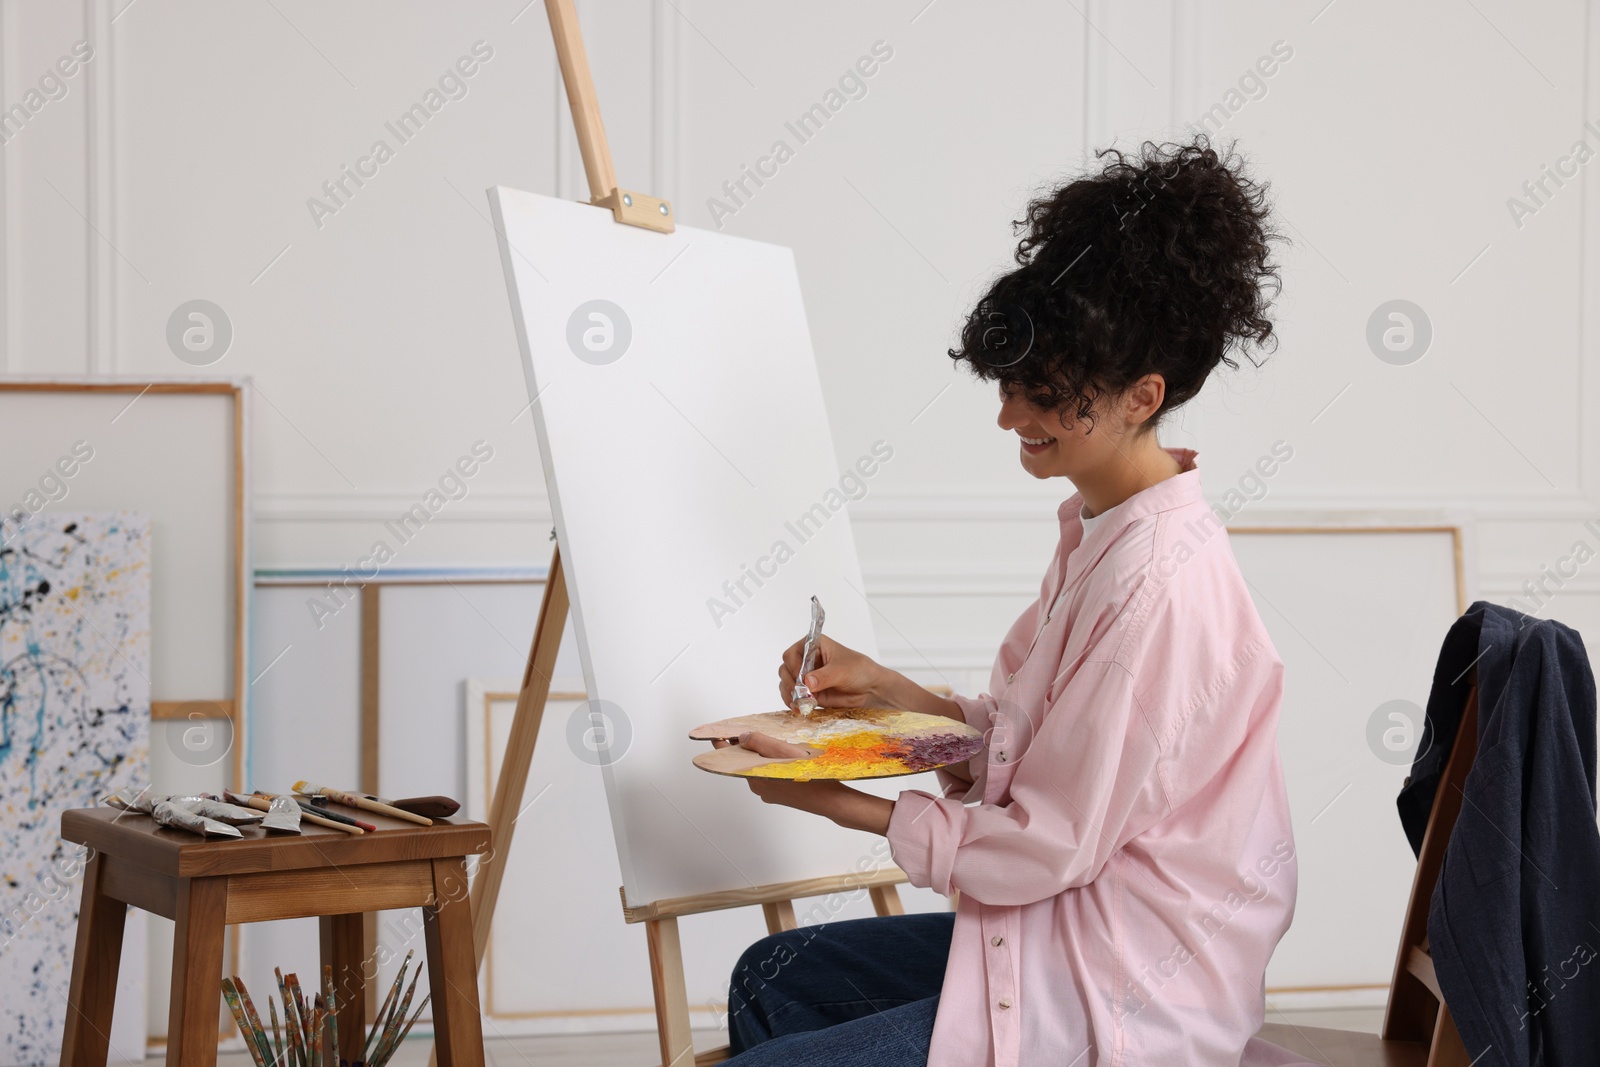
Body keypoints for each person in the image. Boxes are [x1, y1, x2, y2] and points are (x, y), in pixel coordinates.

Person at [713, 134, 1314, 1066]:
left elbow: (1049, 842)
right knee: (771, 974)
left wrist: (844, 804)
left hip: (1116, 983)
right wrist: (886, 688)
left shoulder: (1159, 585)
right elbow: (1028, 744)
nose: (1007, 416)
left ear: (1138, 396)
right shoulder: (1103, 526)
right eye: (1008, 386)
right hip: (1066, 925)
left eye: (1040, 392)